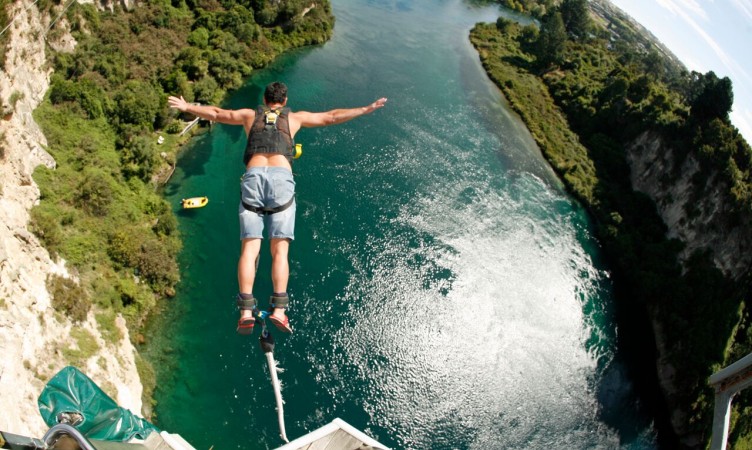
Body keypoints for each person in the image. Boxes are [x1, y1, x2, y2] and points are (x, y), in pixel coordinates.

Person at [168, 82, 387, 335]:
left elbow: (217, 113)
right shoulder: (295, 118)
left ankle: (246, 312)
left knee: (250, 248)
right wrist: (365, 109)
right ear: (285, 100)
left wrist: (188, 106)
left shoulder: (250, 116)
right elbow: (331, 117)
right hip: (281, 180)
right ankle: (279, 311)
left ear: (264, 99)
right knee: (279, 250)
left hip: (253, 178)